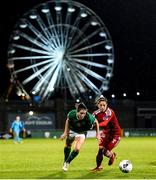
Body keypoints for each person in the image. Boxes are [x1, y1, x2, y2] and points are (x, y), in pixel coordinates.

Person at [60, 102, 100, 171]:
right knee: (68, 145)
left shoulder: (89, 117)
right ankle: (65, 160)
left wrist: (98, 134)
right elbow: (68, 120)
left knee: (77, 149)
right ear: (77, 112)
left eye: (84, 113)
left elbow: (96, 122)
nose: (83, 115)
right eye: (81, 113)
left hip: (82, 132)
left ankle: (67, 162)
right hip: (72, 130)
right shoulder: (72, 114)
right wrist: (65, 132)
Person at [92, 95, 121, 171]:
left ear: (106, 105)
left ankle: (112, 155)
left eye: (104, 105)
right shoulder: (95, 113)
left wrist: (95, 124)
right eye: (100, 105)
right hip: (106, 133)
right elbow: (91, 122)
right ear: (97, 105)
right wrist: (97, 133)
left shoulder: (110, 112)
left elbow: (104, 123)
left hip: (116, 134)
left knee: (105, 152)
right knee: (100, 149)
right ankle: (98, 167)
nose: (102, 107)